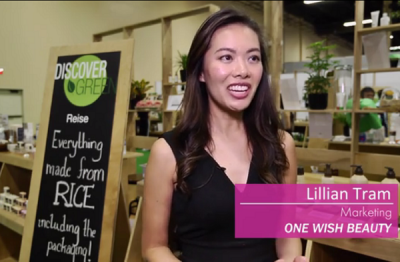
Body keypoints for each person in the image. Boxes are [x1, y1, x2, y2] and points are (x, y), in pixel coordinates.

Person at [142, 8, 307, 262]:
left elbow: (285, 236)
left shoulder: (280, 145)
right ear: (200, 72)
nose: (243, 70)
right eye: (227, 57)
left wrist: (291, 259)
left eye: (253, 58)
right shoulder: (170, 152)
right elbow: (154, 247)